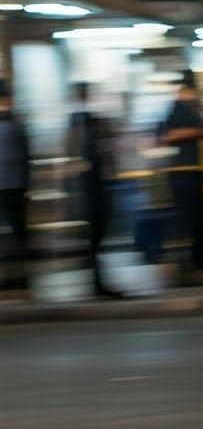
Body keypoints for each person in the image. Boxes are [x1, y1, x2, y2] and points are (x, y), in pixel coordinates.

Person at [66, 82, 123, 298]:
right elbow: (75, 157)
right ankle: (96, 281)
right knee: (95, 234)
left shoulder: (92, 121)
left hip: (97, 184)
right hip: (88, 188)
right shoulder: (78, 123)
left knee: (100, 233)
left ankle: (98, 279)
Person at [158, 70, 203, 282]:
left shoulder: (195, 108)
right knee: (185, 219)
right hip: (181, 172)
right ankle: (185, 264)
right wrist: (197, 130)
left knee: (198, 218)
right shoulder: (177, 108)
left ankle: (199, 261)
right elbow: (166, 136)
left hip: (196, 169)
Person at [0, 79, 31, 292]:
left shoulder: (15, 123)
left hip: (13, 187)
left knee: (18, 234)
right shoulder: (16, 124)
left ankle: (16, 276)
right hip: (14, 187)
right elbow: (25, 157)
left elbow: (25, 157)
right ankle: (18, 275)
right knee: (18, 234)